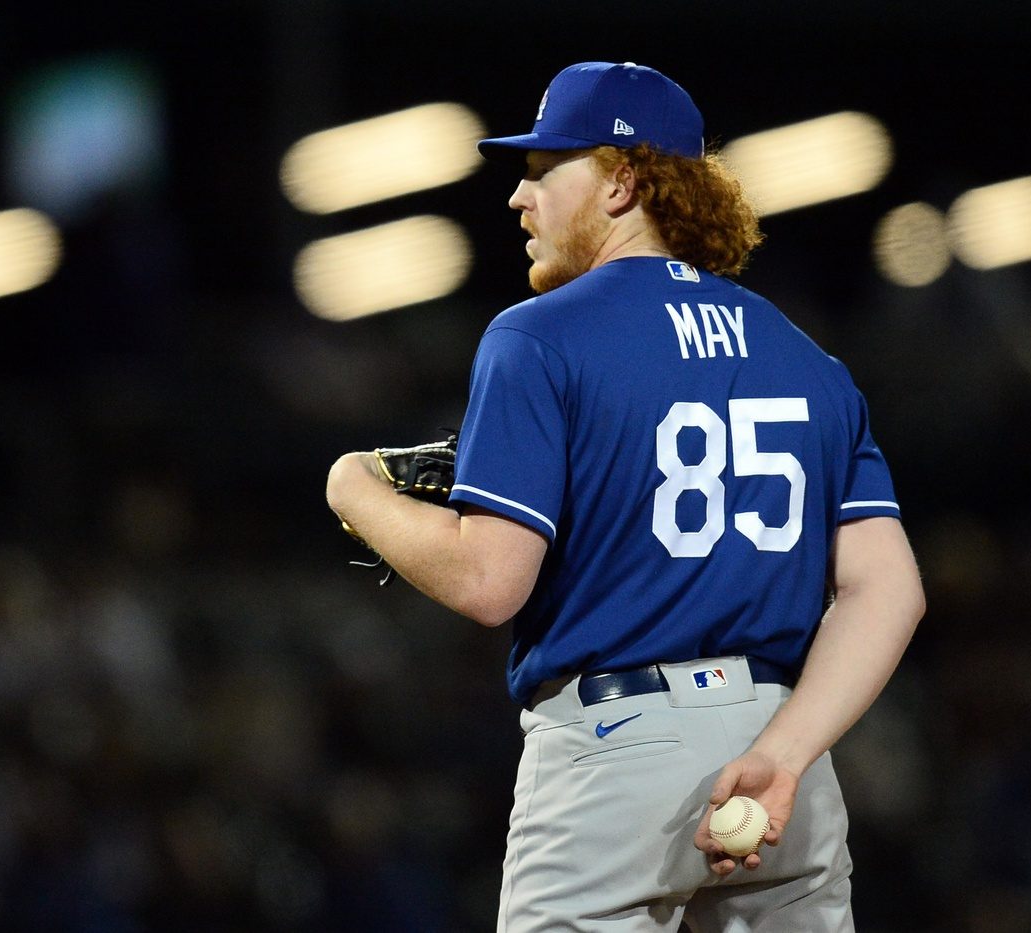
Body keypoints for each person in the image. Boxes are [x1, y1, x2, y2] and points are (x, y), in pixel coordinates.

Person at [325, 60, 925, 932]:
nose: (518, 200)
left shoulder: (538, 337)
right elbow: (890, 588)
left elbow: (490, 581)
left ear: (623, 180)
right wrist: (786, 754)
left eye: (542, 171)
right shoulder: (810, 360)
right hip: (782, 754)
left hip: (615, 750)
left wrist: (353, 489)